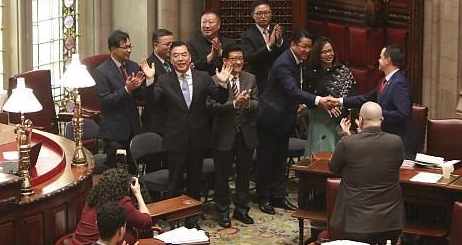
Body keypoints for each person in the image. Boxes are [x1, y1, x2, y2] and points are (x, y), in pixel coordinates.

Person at [255, 29, 341, 214]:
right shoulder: (284, 64)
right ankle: (264, 198)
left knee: (280, 159)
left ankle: (278, 196)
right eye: (304, 46)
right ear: (293, 44)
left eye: (310, 47)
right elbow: (292, 90)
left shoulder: (299, 61)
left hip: (285, 117)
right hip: (271, 118)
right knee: (267, 160)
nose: (307, 50)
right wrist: (318, 100)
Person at [140, 42, 229, 205]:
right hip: (175, 139)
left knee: (195, 181)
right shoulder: (164, 80)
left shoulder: (203, 77)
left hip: (198, 138)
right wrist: (150, 80)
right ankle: (174, 215)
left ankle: (193, 215)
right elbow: (152, 102)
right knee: (174, 181)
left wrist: (223, 84)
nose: (180, 59)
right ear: (170, 59)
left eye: (183, 55)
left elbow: (221, 99)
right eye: (175, 55)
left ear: (190, 57)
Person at [328, 102, 405, 244]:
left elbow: (334, 168)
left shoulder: (347, 143)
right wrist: (351, 138)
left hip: (356, 222)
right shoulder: (396, 142)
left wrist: (348, 138)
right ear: (382, 120)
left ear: (361, 120)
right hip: (389, 222)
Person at [206, 44, 258, 228]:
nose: (238, 62)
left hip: (246, 134)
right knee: (222, 176)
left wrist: (247, 103)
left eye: (241, 58)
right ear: (225, 61)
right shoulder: (214, 80)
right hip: (223, 135)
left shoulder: (250, 78)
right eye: (234, 59)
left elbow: (257, 104)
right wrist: (234, 103)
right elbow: (211, 107)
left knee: (244, 174)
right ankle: (222, 211)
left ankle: (242, 209)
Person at [342, 45, 419, 159]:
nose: (378, 60)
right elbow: (366, 98)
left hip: (401, 144)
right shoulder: (384, 81)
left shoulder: (399, 83)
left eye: (380, 57)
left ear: (388, 60)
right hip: (387, 141)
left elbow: (403, 114)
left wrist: (377, 114)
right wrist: (340, 101)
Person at [93, 30, 146, 168]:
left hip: (133, 128)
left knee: (133, 169)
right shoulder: (101, 72)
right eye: (125, 47)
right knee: (116, 172)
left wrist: (148, 81)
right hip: (114, 132)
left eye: (130, 46)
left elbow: (140, 95)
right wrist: (126, 89)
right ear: (113, 49)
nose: (129, 50)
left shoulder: (133, 66)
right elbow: (106, 101)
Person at [304, 36, 356, 156]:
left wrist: (339, 107)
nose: (328, 54)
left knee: (337, 153)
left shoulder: (343, 70)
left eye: (330, 51)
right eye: (324, 52)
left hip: (340, 120)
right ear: (317, 54)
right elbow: (308, 96)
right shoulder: (311, 73)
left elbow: (351, 94)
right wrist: (325, 104)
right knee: (321, 153)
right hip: (319, 118)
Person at [240, 0, 285, 87]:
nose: (263, 17)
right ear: (253, 15)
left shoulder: (279, 29)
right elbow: (249, 58)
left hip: (280, 77)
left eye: (266, 13)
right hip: (259, 79)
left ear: (271, 14)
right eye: (259, 13)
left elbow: (288, 52)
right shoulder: (247, 35)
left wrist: (279, 42)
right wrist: (269, 46)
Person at [141, 28, 174, 136]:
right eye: (167, 44)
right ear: (155, 45)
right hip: (157, 121)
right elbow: (148, 98)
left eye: (172, 44)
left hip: (172, 119)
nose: (170, 47)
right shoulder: (148, 66)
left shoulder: (171, 63)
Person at [188, 11, 237, 75]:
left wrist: (220, 53)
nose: (207, 26)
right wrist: (210, 56)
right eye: (204, 22)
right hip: (202, 80)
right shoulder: (192, 44)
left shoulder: (229, 43)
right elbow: (192, 66)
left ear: (219, 25)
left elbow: (235, 64)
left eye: (210, 22)